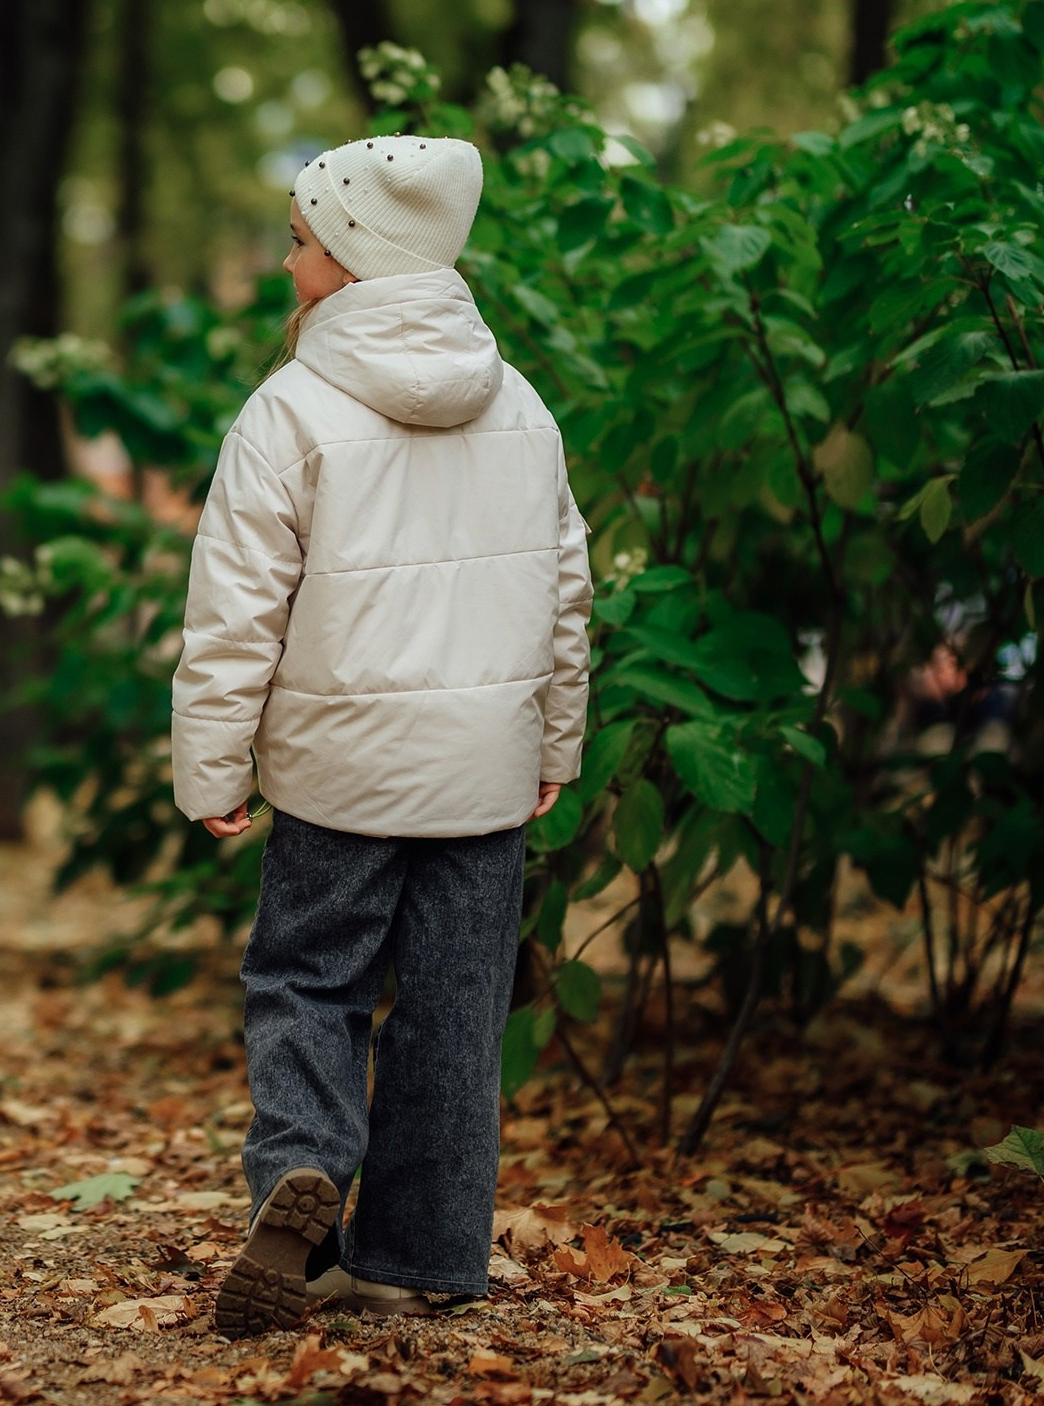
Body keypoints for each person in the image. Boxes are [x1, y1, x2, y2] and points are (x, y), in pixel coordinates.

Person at [174, 134, 592, 1336]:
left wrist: (213, 760)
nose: (287, 253)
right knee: (458, 1011)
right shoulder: (519, 403)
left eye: (302, 237)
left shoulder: (290, 406)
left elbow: (235, 604)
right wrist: (554, 744)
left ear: (351, 258)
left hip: (337, 777)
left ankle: (303, 1177)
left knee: (306, 976)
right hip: (482, 778)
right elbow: (568, 591)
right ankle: (419, 1259)